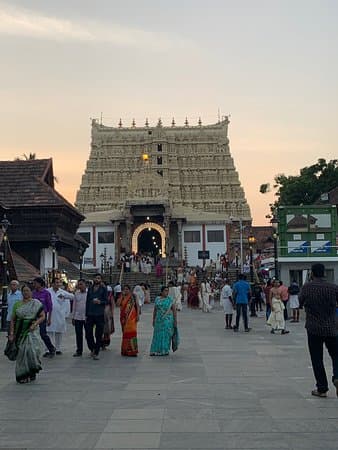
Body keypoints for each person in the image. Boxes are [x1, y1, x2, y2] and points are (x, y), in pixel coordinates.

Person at [299, 263, 338, 398]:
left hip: (313, 327)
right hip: (332, 327)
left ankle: (322, 388)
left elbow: (300, 302)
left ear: (312, 273)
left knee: (317, 358)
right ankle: (337, 376)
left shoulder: (307, 287)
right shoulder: (333, 288)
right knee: (336, 355)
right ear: (324, 273)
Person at [9, 285, 45, 383]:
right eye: (24, 291)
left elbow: (42, 316)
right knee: (22, 354)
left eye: (27, 291)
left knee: (32, 352)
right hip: (20, 332)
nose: (26, 293)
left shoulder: (36, 303)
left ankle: (31, 372)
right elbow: (13, 319)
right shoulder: (17, 304)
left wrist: (35, 324)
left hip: (32, 331)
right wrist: (11, 333)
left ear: (31, 292)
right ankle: (22, 375)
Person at [47, 278, 73, 355]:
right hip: (50, 315)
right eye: (56, 282)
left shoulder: (63, 292)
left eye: (59, 283)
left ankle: (58, 348)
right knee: (49, 332)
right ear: (52, 284)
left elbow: (72, 296)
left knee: (59, 332)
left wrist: (64, 296)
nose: (58, 284)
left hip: (60, 315)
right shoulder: (47, 291)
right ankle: (49, 349)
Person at [85, 273, 107, 360]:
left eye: (99, 278)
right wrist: (86, 314)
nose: (97, 280)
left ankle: (96, 351)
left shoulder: (103, 289)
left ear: (101, 280)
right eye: (96, 278)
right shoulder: (90, 289)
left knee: (98, 334)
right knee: (88, 333)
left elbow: (106, 301)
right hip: (90, 313)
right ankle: (92, 347)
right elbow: (87, 301)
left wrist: (100, 302)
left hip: (99, 314)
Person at [150, 286, 177, 356]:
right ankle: (155, 350)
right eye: (165, 291)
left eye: (167, 291)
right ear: (161, 292)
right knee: (157, 335)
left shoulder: (170, 300)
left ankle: (164, 350)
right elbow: (155, 310)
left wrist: (175, 321)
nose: (167, 292)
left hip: (167, 320)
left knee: (165, 335)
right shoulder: (157, 299)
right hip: (158, 320)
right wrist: (153, 319)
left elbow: (174, 311)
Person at [32, 277, 56, 358]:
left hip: (43, 316)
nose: (34, 285)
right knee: (32, 334)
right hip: (33, 316)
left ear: (40, 283)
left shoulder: (46, 293)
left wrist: (49, 319)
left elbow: (50, 307)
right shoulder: (33, 293)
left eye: (35, 283)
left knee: (43, 334)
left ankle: (51, 348)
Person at [116, 284, 140, 356]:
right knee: (125, 334)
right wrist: (121, 296)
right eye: (124, 289)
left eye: (127, 289)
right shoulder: (122, 297)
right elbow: (117, 304)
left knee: (132, 333)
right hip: (124, 318)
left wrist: (138, 315)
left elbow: (138, 306)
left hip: (132, 317)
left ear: (130, 290)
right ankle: (125, 350)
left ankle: (133, 350)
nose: (125, 291)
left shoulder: (133, 296)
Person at [72, 279, 87, 357]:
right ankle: (79, 351)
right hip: (77, 317)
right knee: (78, 334)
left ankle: (92, 349)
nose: (80, 286)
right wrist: (73, 317)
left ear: (85, 285)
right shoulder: (76, 294)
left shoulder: (89, 293)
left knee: (88, 335)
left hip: (87, 317)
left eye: (81, 284)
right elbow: (74, 306)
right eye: (79, 284)